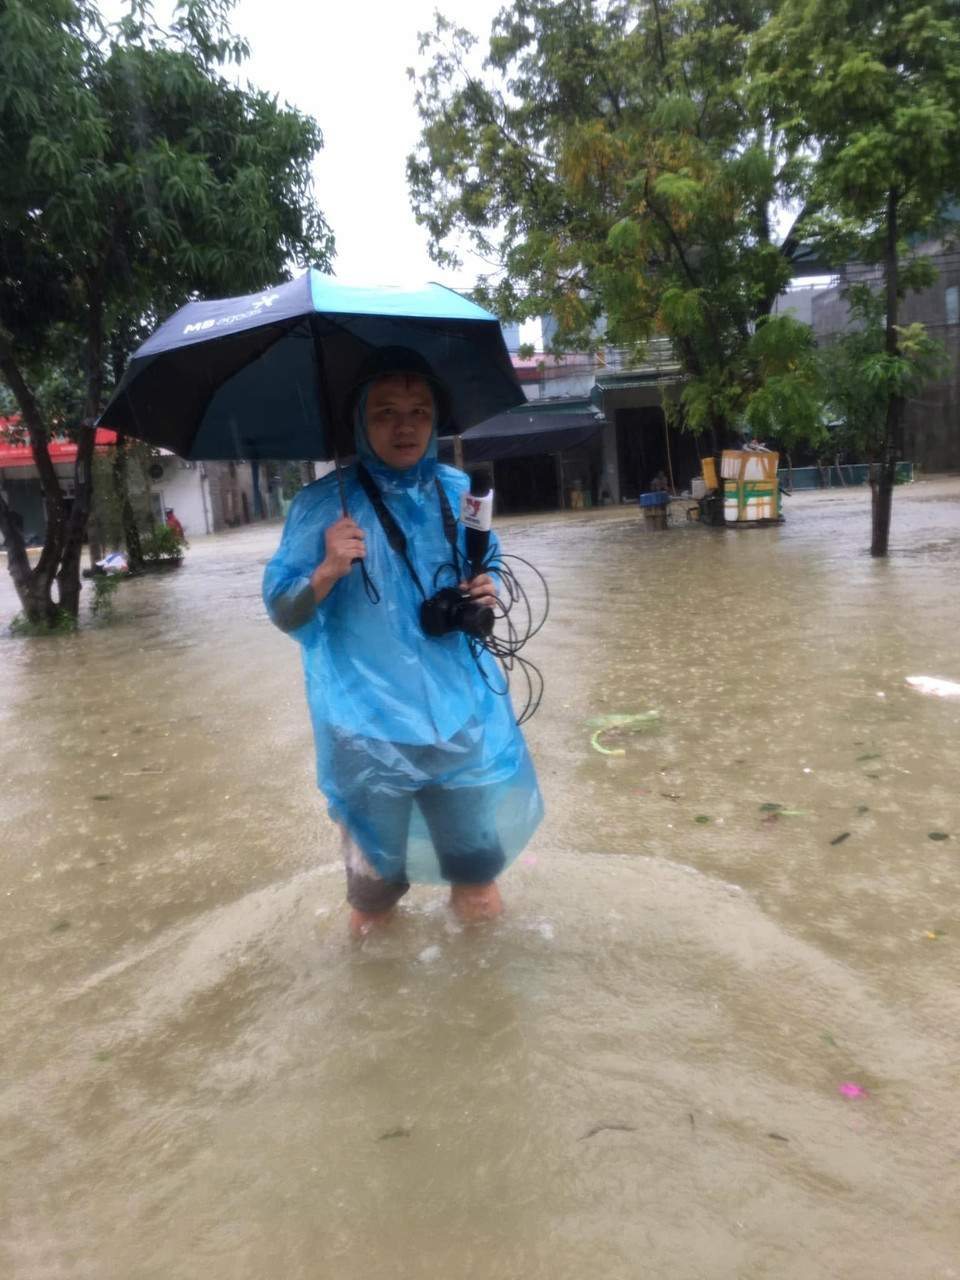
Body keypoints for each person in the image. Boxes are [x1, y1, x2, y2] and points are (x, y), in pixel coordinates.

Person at [262, 347, 543, 939]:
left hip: (457, 725)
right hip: (365, 737)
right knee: (372, 908)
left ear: (436, 418)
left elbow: (483, 568)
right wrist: (326, 571)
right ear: (360, 422)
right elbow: (284, 613)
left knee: (480, 889)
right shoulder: (321, 507)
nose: (405, 425)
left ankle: (481, 1015)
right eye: (386, 411)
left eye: (419, 410)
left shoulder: (460, 493)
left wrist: (485, 589)